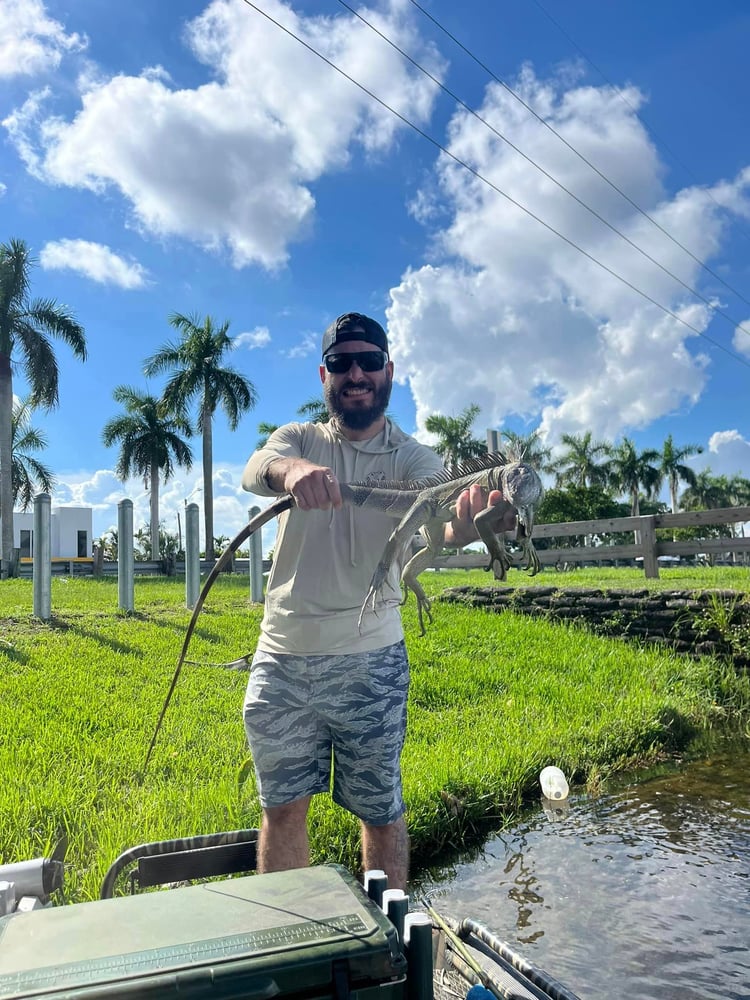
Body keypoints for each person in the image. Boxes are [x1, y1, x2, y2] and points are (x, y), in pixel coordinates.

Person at [241, 311, 507, 888]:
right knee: (282, 807)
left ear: (389, 371)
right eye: (341, 363)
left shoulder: (413, 460)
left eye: (368, 361)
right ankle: (293, 951)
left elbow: (447, 518)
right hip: (282, 657)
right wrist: (293, 472)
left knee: (380, 811)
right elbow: (258, 465)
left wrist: (473, 520)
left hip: (372, 659)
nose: (355, 372)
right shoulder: (301, 439)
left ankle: (389, 953)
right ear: (324, 374)